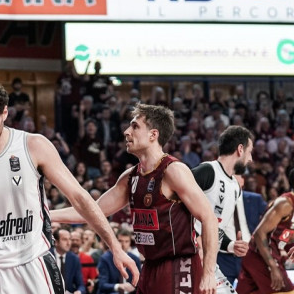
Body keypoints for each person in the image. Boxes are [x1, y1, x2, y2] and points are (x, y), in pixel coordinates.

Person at [0, 79, 139, 294]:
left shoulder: (33, 145)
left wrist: (115, 246)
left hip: (34, 261)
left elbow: (80, 197)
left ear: (5, 113)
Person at [52, 103, 218, 294]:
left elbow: (209, 218)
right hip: (149, 266)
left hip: (178, 264)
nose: (126, 132)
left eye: (135, 126)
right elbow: (91, 211)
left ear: (153, 135)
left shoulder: (173, 170)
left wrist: (209, 273)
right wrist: (46, 214)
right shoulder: (130, 177)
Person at [191, 126, 253, 288]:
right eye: (250, 152)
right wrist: (196, 239)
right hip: (187, 258)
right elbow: (174, 206)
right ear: (240, 149)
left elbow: (216, 229)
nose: (250, 159)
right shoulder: (208, 171)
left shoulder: (235, 188)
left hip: (209, 262)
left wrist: (231, 245)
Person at [235, 168, 294, 294]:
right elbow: (259, 233)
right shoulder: (285, 204)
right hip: (261, 256)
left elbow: (284, 233)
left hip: (256, 256)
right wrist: (273, 266)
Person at [54, 229, 85, 294]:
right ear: (56, 242)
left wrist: (79, 291)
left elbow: (81, 285)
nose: (69, 243)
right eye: (65, 239)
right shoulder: (47, 256)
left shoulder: (74, 258)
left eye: (70, 239)